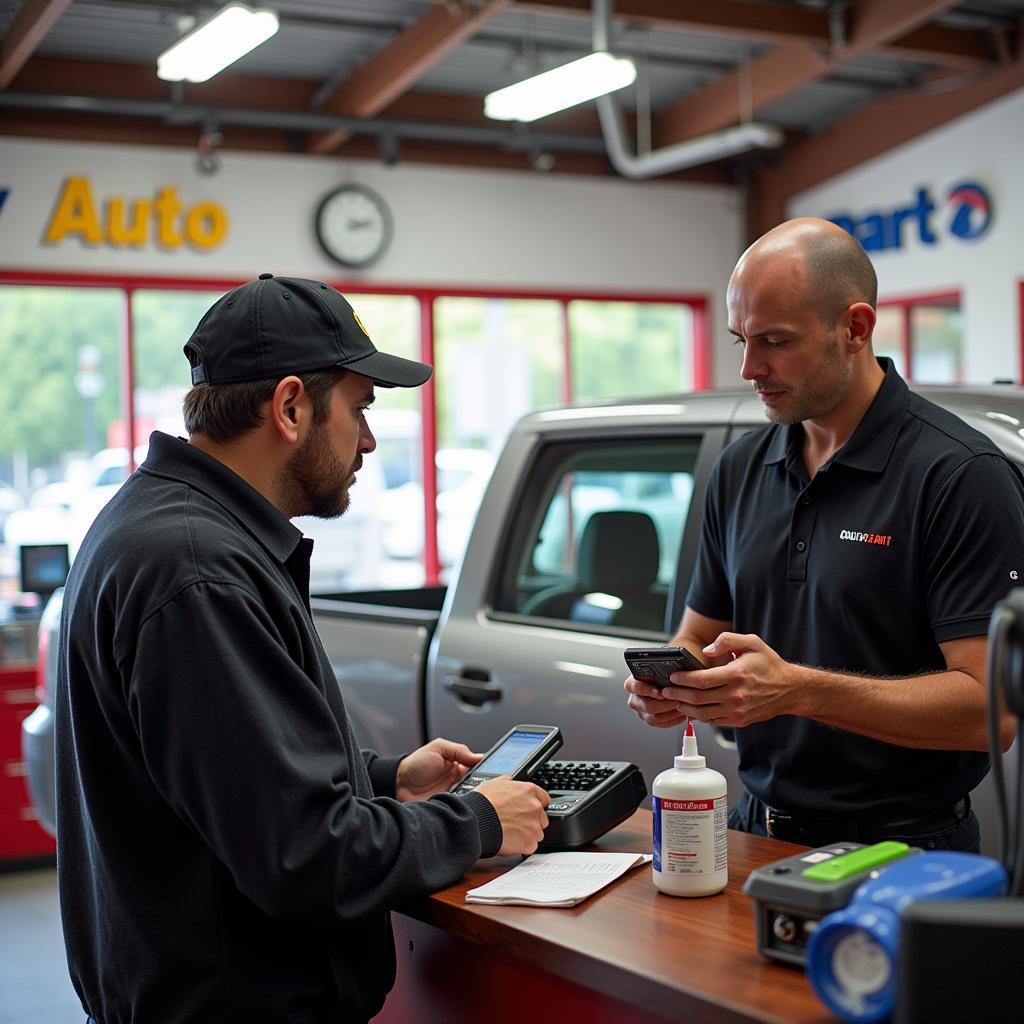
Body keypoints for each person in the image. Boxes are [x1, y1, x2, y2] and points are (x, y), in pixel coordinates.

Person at [55, 274, 550, 1024]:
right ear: (290, 407)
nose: (372, 439)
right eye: (361, 409)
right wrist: (478, 821)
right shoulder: (198, 570)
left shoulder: (169, 525)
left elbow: (229, 787)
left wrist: (381, 780)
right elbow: (303, 859)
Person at [625, 218, 1024, 852]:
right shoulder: (740, 468)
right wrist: (677, 683)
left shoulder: (959, 475)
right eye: (741, 340)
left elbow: (990, 712)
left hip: (902, 849)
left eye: (775, 341)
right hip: (755, 831)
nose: (752, 367)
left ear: (856, 329)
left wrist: (800, 690)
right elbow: (698, 632)